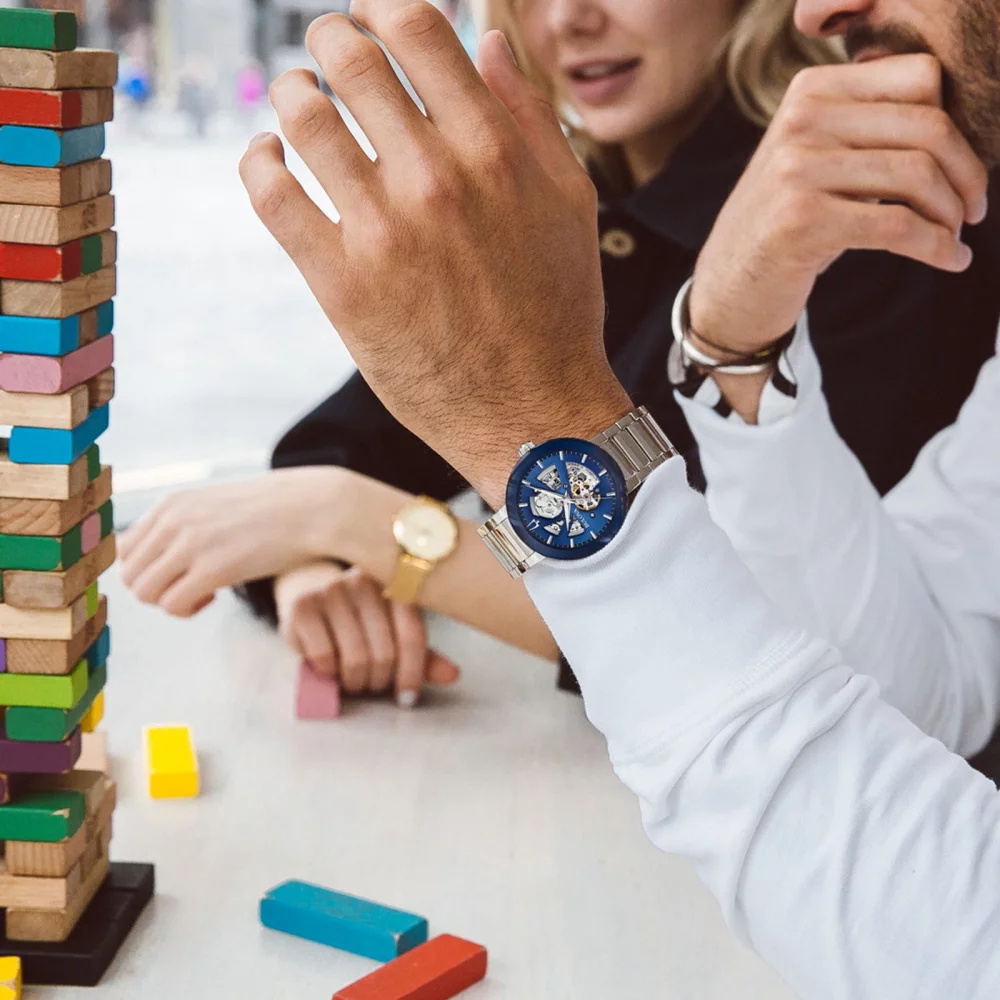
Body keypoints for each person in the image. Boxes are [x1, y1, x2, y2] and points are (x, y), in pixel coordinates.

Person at [230, 0, 1000, 994]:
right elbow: (907, 703)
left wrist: (402, 520)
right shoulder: (593, 198)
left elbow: (774, 661)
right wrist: (729, 341)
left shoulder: (882, 202)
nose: (821, 10)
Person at [119, 0, 1000, 713]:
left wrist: (372, 532)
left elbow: (747, 629)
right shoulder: (571, 198)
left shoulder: (856, 213)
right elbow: (351, 438)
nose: (569, 18)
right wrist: (319, 573)